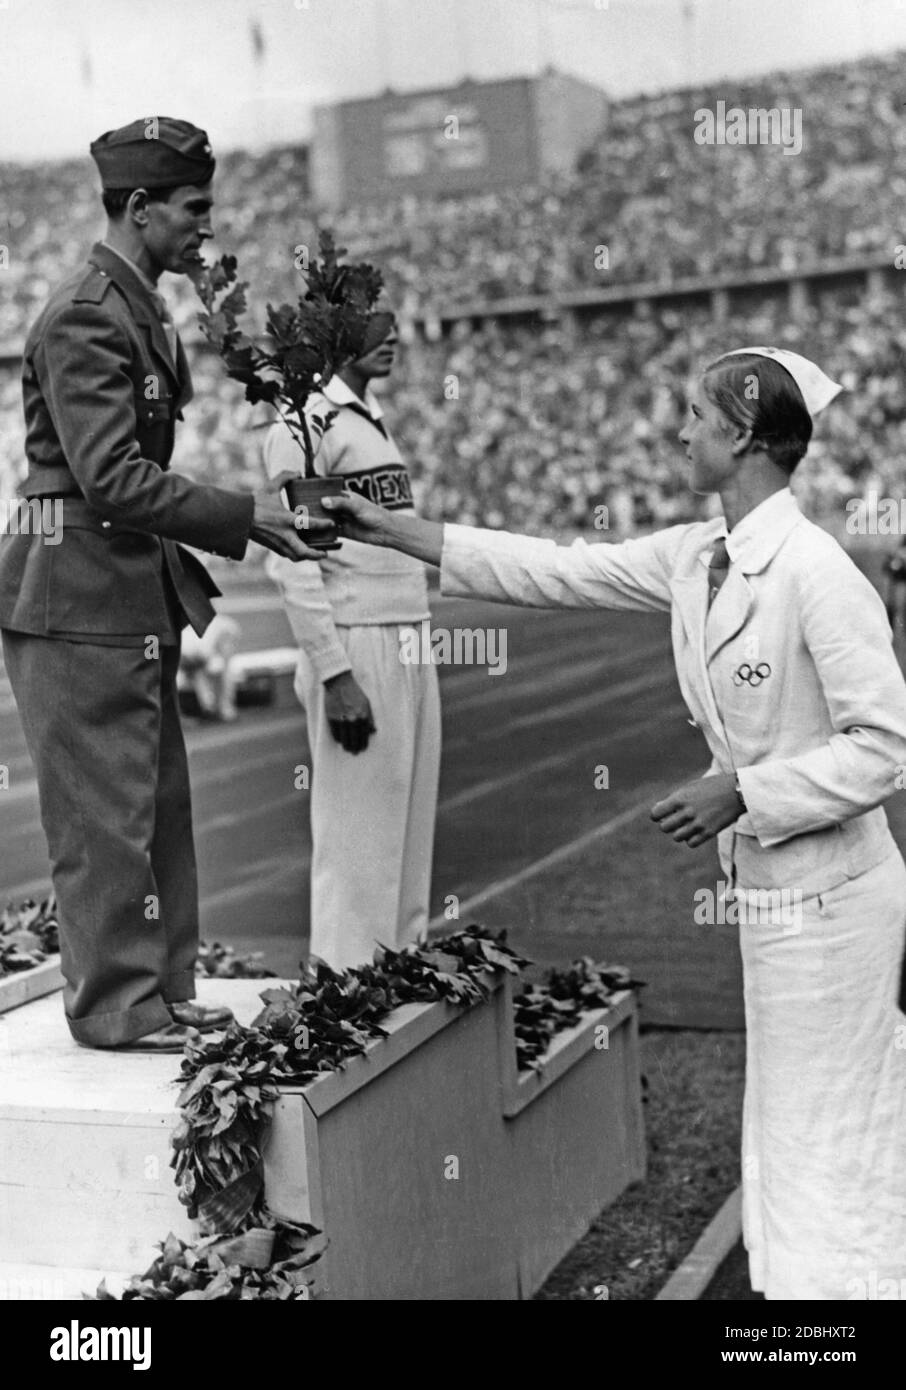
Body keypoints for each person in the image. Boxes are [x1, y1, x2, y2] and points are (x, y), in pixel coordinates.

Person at [324, 346, 906, 1301]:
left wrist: (744, 794)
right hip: (773, 903)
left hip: (839, 909)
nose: (675, 432)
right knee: (793, 1139)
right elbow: (553, 571)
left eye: (692, 416)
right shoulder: (695, 554)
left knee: (833, 1144)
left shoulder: (818, 571)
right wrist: (397, 532)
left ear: (746, 437)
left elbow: (886, 747)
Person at [0, 117, 327, 1051]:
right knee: (104, 814)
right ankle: (116, 1005)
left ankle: (161, 985)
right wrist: (246, 515)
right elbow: (110, 477)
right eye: (193, 208)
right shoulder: (85, 313)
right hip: (74, 589)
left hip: (114, 586)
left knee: (155, 803)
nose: (204, 227)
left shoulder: (132, 302)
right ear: (140, 208)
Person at [263, 297, 440, 971]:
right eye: (373, 322)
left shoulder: (368, 420)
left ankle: (400, 976)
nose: (391, 332)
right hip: (358, 639)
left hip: (408, 631)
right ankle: (345, 988)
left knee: (407, 832)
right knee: (358, 839)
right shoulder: (307, 420)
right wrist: (335, 673)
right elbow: (293, 558)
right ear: (335, 334)